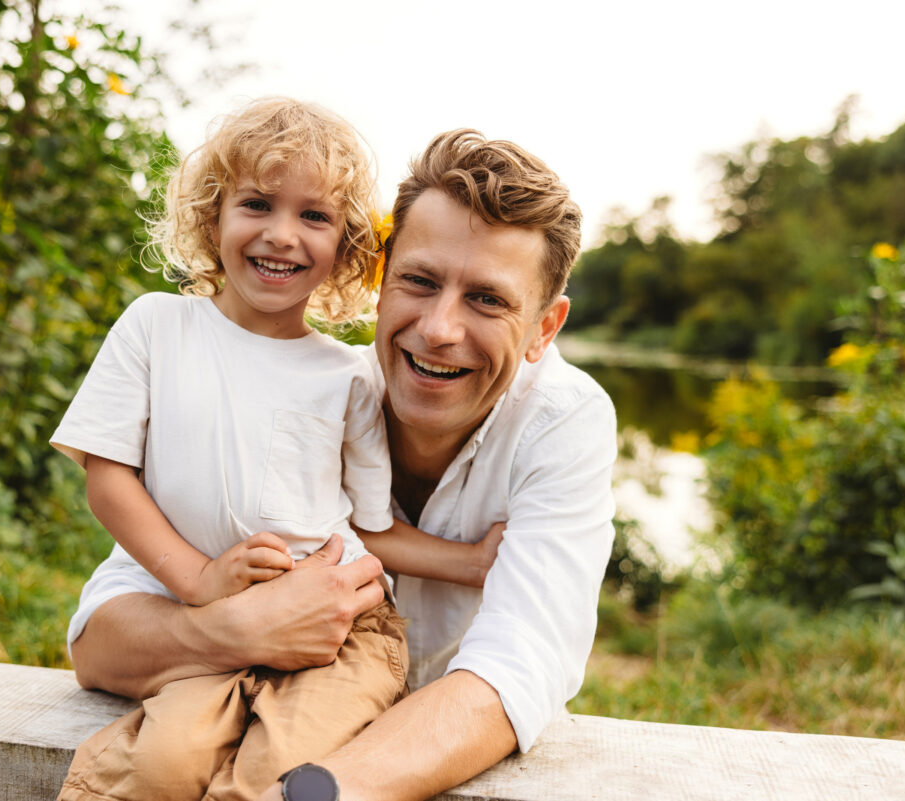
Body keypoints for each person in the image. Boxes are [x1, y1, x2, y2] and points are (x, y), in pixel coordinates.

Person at [66, 128, 617, 801]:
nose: (440, 328)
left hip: (363, 767)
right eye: (419, 280)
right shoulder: (308, 394)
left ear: (544, 329)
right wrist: (233, 627)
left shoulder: (563, 422)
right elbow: (99, 642)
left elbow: (519, 666)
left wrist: (309, 794)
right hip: (242, 698)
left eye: (487, 298)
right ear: (380, 281)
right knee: (157, 762)